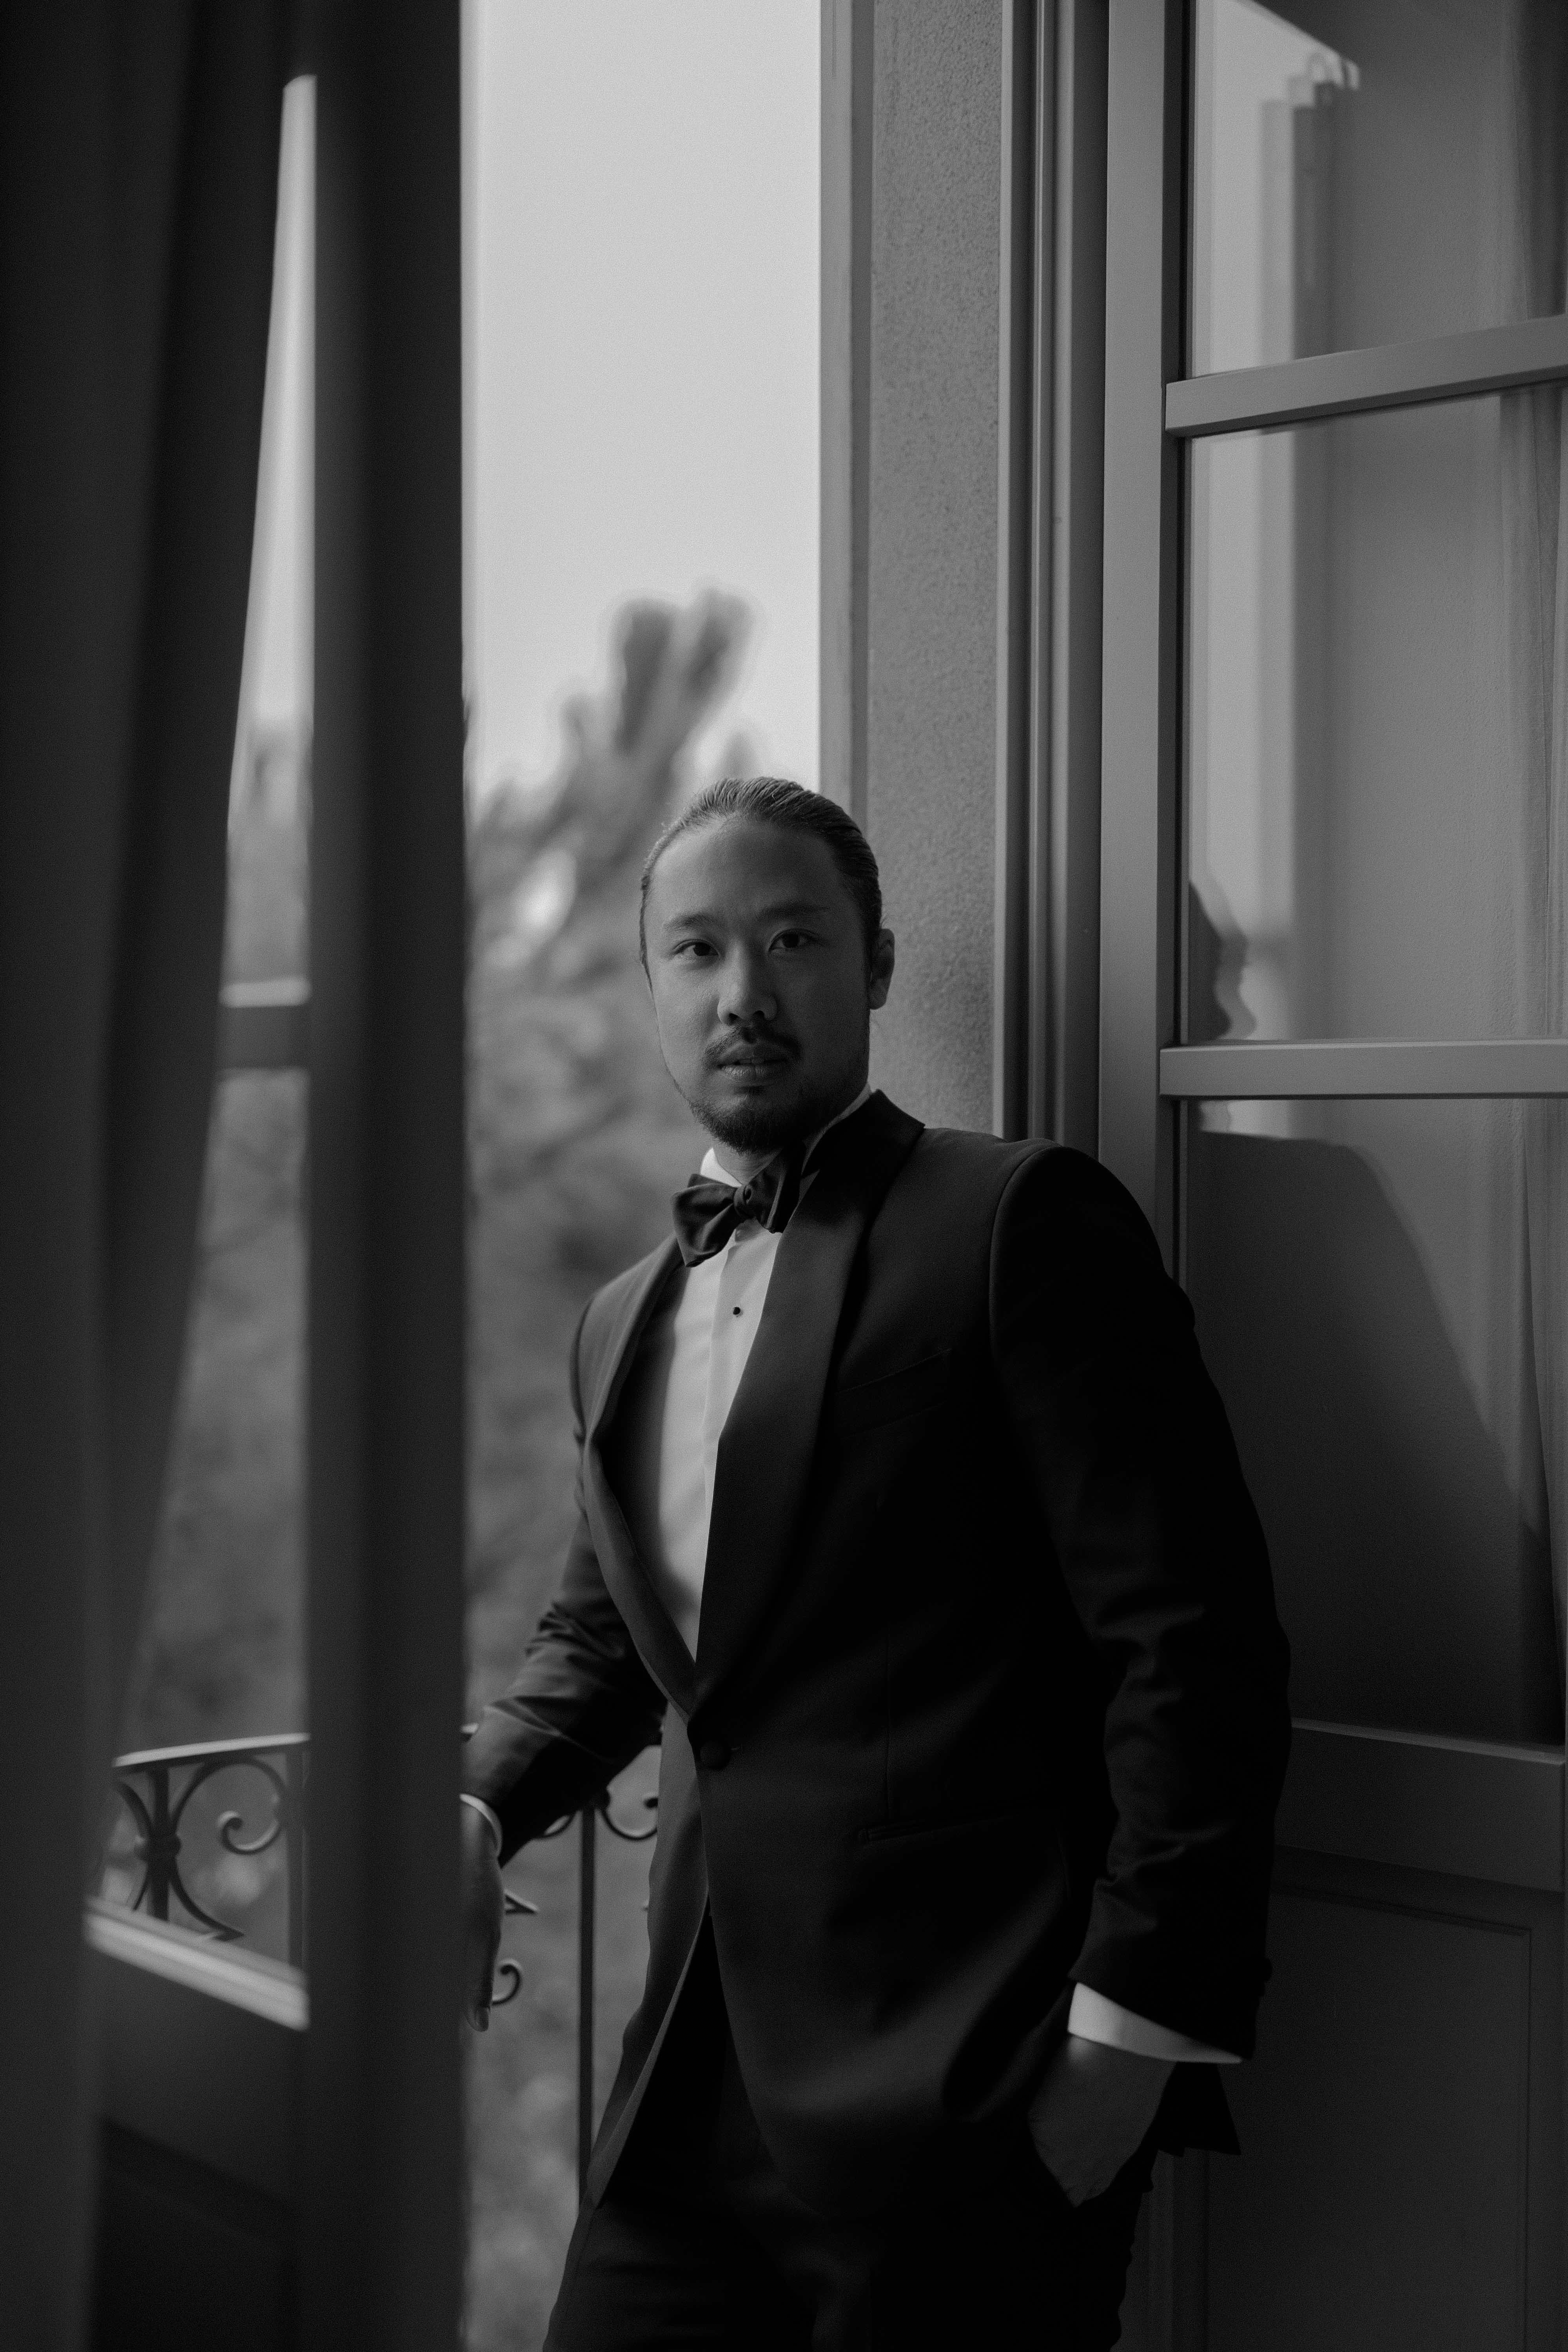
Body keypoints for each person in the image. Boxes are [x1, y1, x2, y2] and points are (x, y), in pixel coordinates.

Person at [459, 777, 1290, 2349]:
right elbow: (606, 1643)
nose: (744, 992)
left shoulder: (1019, 1221)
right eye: (697, 949)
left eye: (793, 941)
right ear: (650, 986)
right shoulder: (619, 1320)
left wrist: (1127, 2045)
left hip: (963, 2102)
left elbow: (1191, 1644)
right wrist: (479, 1803)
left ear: (879, 965)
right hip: (680, 2106)